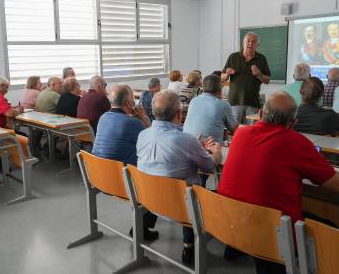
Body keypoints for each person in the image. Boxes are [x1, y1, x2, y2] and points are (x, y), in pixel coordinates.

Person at [218, 91, 339, 274]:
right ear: (293, 123)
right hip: (274, 234)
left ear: (261, 114)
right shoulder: (296, 142)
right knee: (332, 229)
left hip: (230, 223)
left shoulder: (240, 134)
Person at [137, 90, 222, 265]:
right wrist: (217, 152)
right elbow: (208, 166)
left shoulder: (142, 135)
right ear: (179, 113)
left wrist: (194, 146)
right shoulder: (186, 140)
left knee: (179, 182)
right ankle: (189, 246)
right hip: (182, 206)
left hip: (149, 200)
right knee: (192, 188)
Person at [92, 85, 155, 240]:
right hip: (121, 183)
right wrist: (143, 118)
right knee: (157, 178)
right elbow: (155, 138)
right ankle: (142, 228)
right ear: (128, 103)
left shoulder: (103, 117)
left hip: (98, 178)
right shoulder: (132, 123)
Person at [222, 32, 271, 124]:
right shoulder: (233, 57)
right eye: (248, 41)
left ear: (257, 44)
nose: (250, 44)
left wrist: (259, 75)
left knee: (251, 132)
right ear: (243, 43)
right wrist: (227, 74)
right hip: (234, 102)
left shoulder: (262, 59)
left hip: (252, 102)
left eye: (253, 42)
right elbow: (222, 78)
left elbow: (267, 80)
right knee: (234, 132)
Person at [183, 74, 238, 143]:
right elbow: (235, 130)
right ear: (220, 89)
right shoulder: (223, 105)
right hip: (209, 149)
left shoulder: (194, 100)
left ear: (203, 87)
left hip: (187, 144)